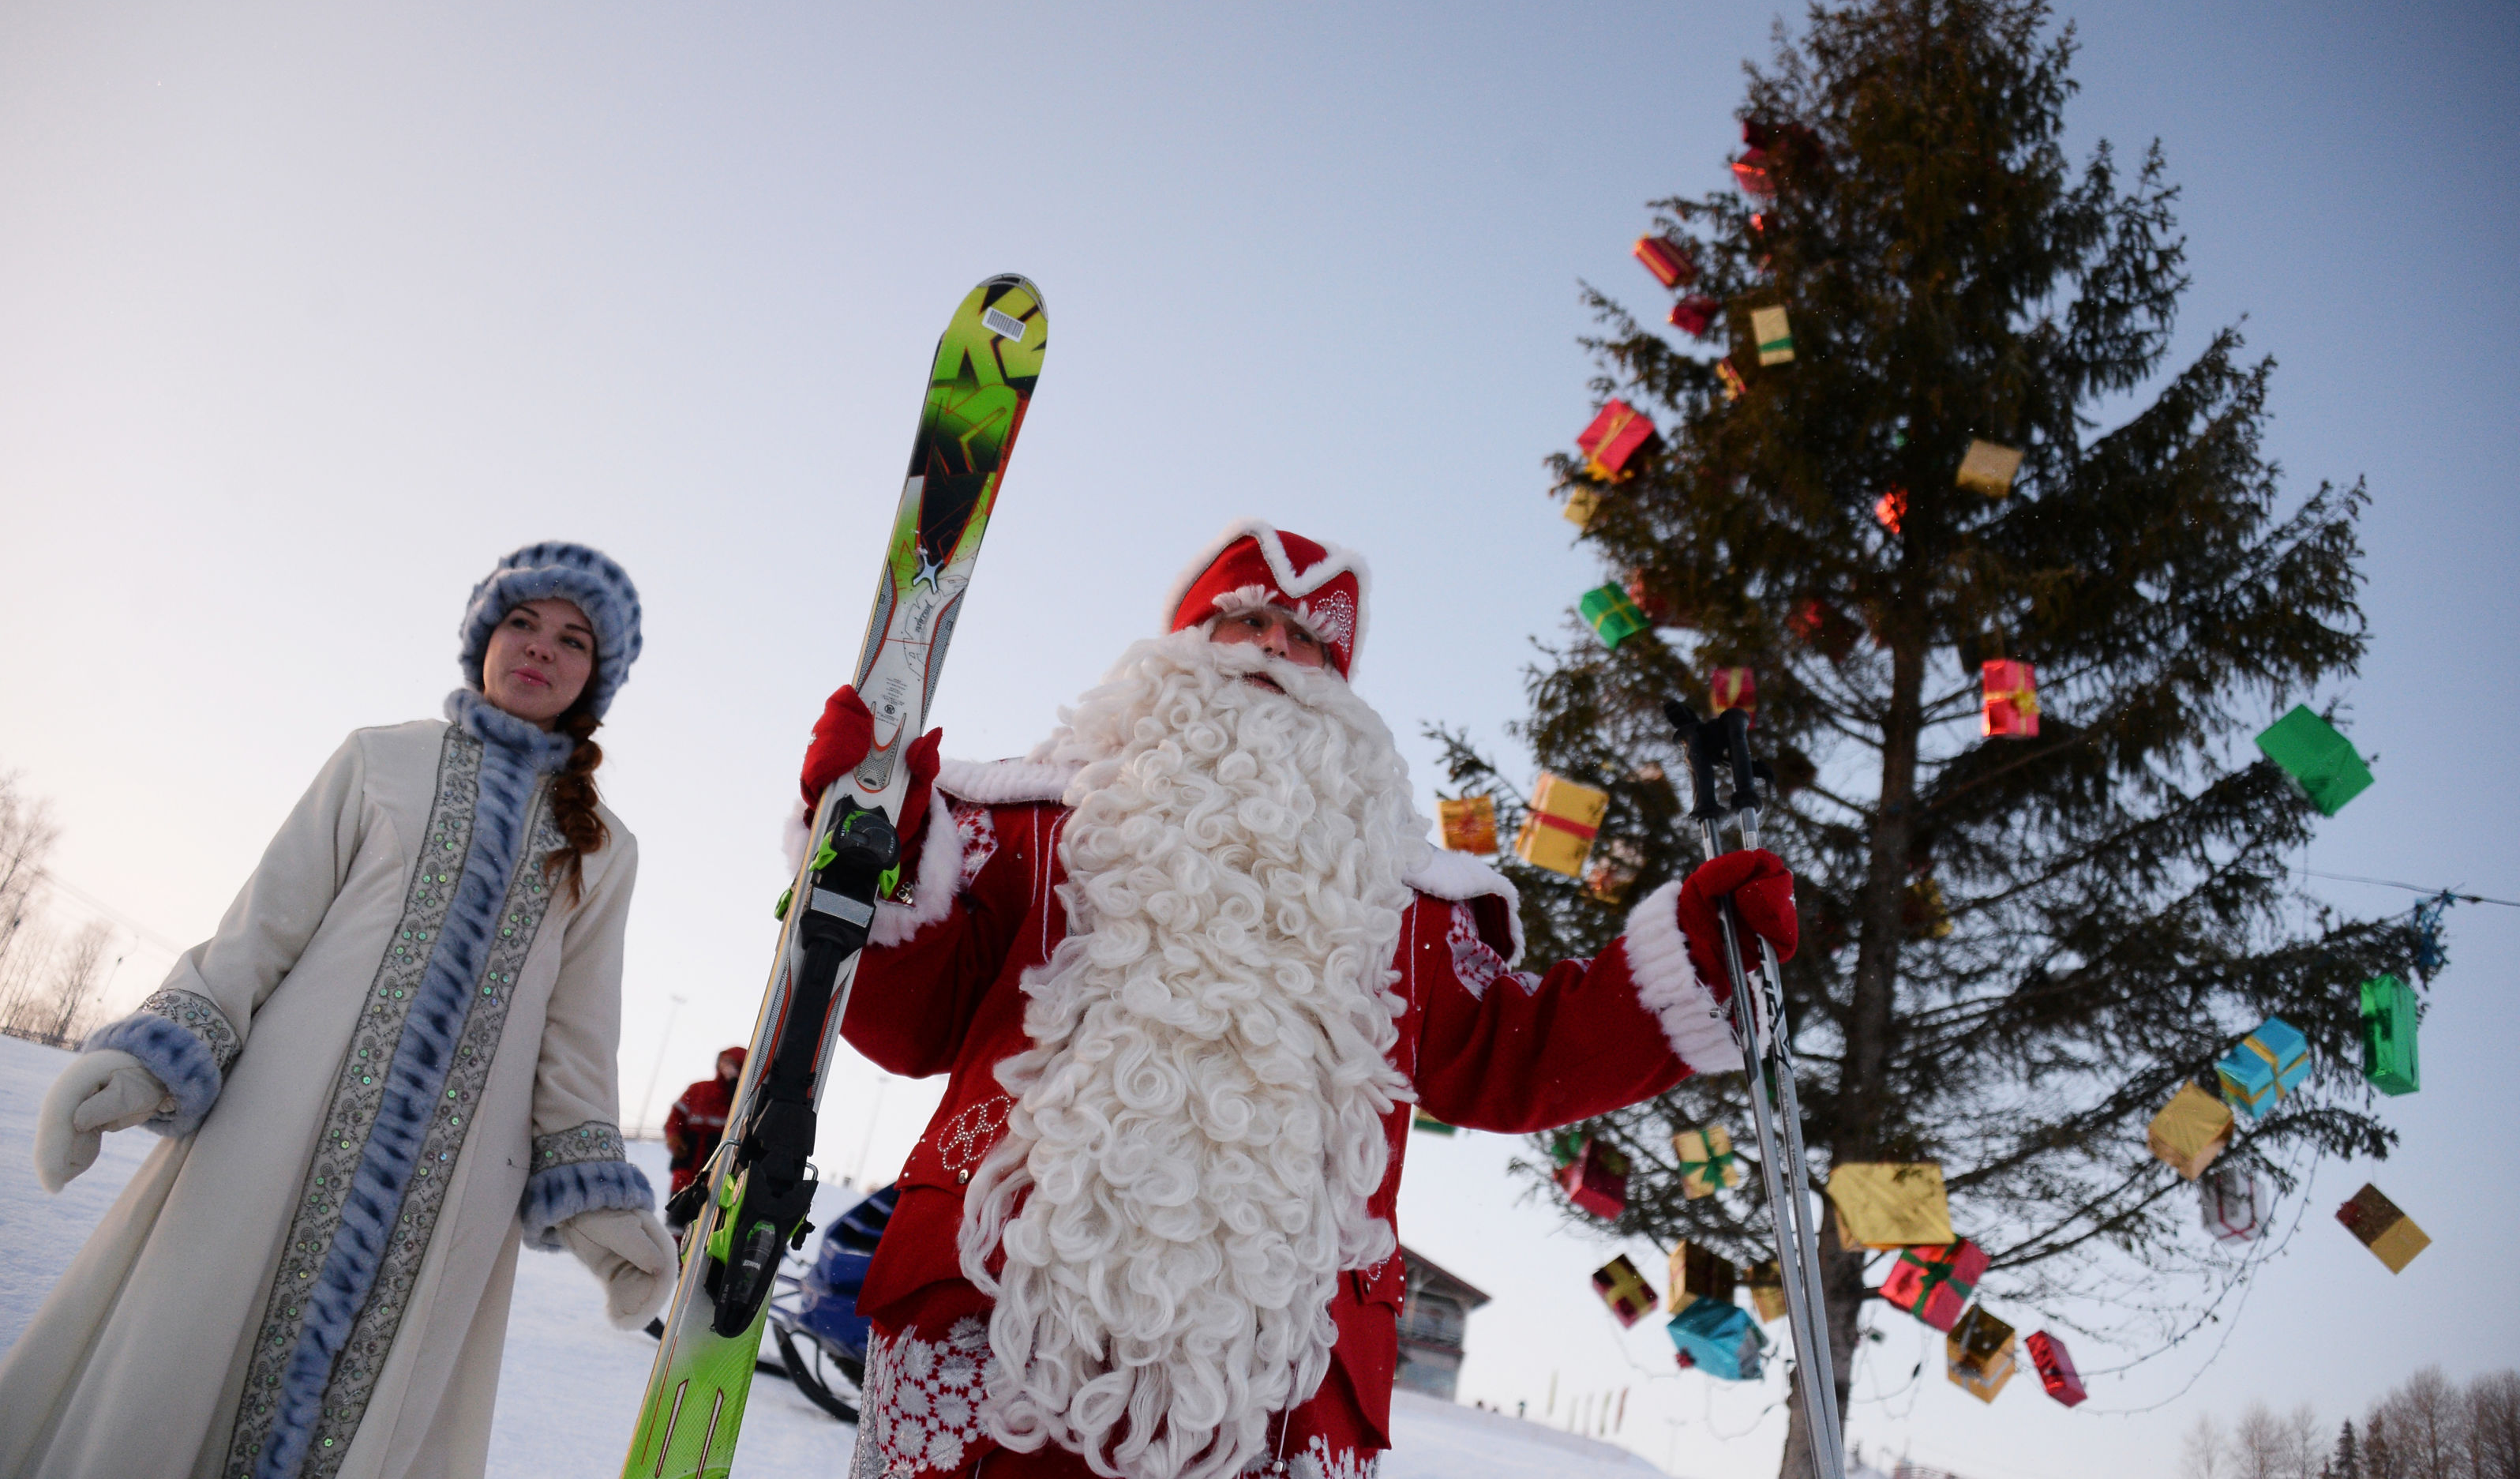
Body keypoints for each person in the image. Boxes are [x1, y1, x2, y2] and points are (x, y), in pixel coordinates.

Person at [797, 520, 1800, 1479]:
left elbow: (1522, 1054)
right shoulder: (1023, 827)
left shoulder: (1410, 908)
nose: (1276, 648)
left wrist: (1698, 962)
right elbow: (909, 1014)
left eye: (1311, 639)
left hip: (1272, 1388)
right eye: (1247, 618)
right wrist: (868, 843)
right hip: (990, 1320)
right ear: (1182, 646)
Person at [1, 542, 679, 1479]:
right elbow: (260, 931)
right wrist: (151, 1058)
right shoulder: (380, 759)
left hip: (453, 1195)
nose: (540, 648)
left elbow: (577, 1039)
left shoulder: (601, 847)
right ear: (485, 634)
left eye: (573, 639)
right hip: (275, 1131)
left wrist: (596, 1200)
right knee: (188, 1356)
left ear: (594, 678)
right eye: (522, 621)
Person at [662, 1045, 748, 1226]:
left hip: (716, 1181)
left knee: (703, 1227)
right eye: (724, 1061)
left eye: (732, 1064)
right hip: (685, 1175)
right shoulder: (698, 1090)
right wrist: (674, 1139)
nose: (726, 1067)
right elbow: (674, 1121)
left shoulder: (741, 1103)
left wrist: (735, 1084)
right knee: (675, 1227)